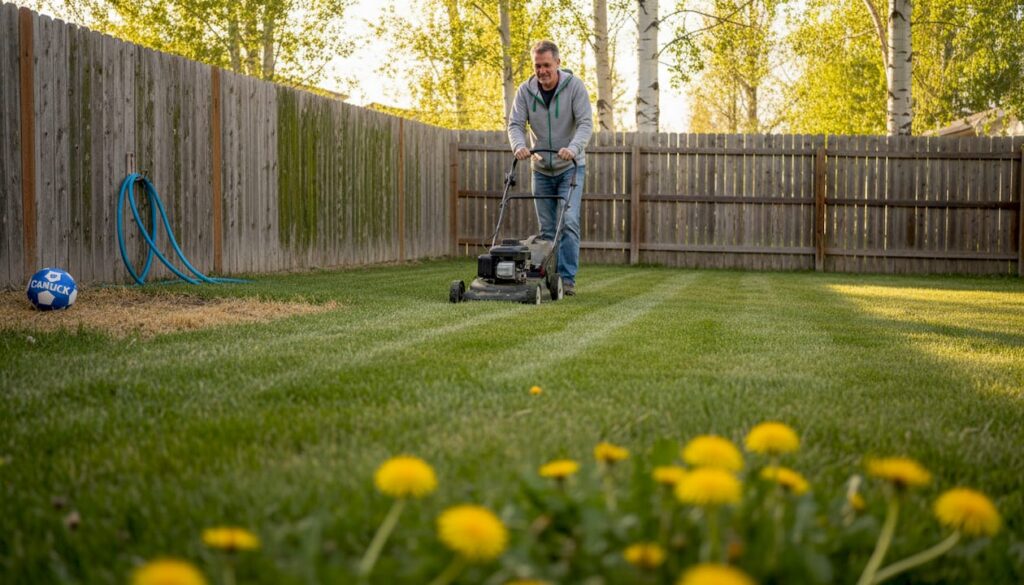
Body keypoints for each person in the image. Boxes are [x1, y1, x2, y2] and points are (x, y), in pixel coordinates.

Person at [507, 40, 592, 296]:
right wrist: (519, 146)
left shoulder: (574, 87)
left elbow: (585, 124)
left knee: (568, 221)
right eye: (537, 66)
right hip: (541, 169)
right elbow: (515, 125)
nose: (542, 71)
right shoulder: (525, 91)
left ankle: (567, 280)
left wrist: (573, 148)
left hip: (570, 167)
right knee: (546, 229)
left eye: (546, 65)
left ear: (557, 63)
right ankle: (546, 277)